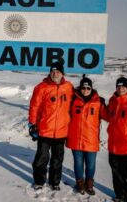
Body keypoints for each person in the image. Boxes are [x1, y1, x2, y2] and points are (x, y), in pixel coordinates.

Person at [28, 62, 74, 191]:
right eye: (53, 72)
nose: (55, 74)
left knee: (57, 159)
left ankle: (55, 182)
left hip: (61, 131)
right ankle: (39, 181)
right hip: (44, 130)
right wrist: (32, 124)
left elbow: (75, 104)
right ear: (50, 73)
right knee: (41, 159)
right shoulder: (41, 87)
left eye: (58, 72)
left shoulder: (69, 87)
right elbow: (34, 107)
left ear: (62, 73)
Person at [66, 77, 108, 195]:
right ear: (80, 88)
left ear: (91, 88)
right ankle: (80, 183)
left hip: (91, 139)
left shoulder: (98, 102)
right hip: (76, 138)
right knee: (78, 163)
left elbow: (109, 117)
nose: (85, 90)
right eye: (83, 88)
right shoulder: (73, 100)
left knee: (91, 163)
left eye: (88, 88)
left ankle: (89, 183)